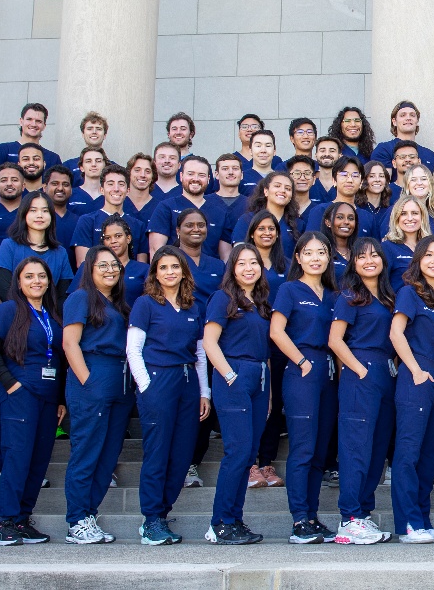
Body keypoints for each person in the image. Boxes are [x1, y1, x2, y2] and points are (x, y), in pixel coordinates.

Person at [126, 248, 212, 545]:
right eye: (163, 268)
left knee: (181, 454)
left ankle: (162, 514)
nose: (170, 272)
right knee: (158, 452)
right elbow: (133, 350)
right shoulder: (145, 304)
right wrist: (147, 386)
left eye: (175, 267)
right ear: (155, 273)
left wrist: (205, 392)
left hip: (188, 382)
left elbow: (200, 353)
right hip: (159, 381)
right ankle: (150, 519)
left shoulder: (192, 307)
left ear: (184, 271)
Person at [0, 258, 62, 545]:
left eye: (41, 276)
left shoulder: (52, 314)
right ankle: (6, 522)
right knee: (17, 457)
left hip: (49, 398)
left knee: (39, 461)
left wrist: (61, 398)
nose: (36, 281)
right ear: (19, 281)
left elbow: (59, 358)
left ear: (49, 280)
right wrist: (9, 382)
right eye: (29, 276)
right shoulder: (9, 310)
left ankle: (23, 520)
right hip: (20, 394)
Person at [199, 244, 274, 545]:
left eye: (253, 262)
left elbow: (265, 349)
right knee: (238, 451)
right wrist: (230, 375)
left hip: (259, 377)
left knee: (249, 454)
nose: (248, 268)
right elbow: (209, 342)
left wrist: (267, 392)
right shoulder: (223, 298)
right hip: (235, 377)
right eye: (241, 263)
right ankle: (220, 523)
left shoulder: (261, 302)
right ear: (232, 268)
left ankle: (235, 519)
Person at [57, 246, 132, 544]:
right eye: (102, 265)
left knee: (108, 455)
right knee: (87, 452)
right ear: (89, 269)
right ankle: (76, 520)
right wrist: (89, 382)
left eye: (114, 264)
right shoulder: (80, 298)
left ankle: (89, 515)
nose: (110, 269)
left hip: (119, 383)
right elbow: (70, 344)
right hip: (94, 378)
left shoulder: (117, 304)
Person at [325, 238, 396, 545]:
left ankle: (363, 514)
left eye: (374, 256)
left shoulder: (389, 297)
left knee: (377, 449)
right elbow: (335, 340)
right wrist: (361, 370)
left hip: (386, 374)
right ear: (353, 263)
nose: (369, 261)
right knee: (356, 448)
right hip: (361, 373)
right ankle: (349, 517)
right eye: (362, 257)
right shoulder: (350, 296)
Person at [387, 236, 434, 543]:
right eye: (428, 255)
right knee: (408, 453)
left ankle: (423, 521)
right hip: (417, 376)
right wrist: (414, 370)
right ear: (418, 259)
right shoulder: (409, 292)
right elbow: (396, 332)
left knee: (429, 455)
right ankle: (408, 525)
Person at [271, 232, 339, 544]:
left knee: (320, 451)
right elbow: (276, 331)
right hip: (303, 370)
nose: (315, 258)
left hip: (328, 373)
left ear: (329, 258)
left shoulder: (333, 294)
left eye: (321, 253)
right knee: (303, 447)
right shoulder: (289, 289)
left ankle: (312, 516)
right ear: (298, 257)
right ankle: (299, 519)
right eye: (308, 252)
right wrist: (302, 361)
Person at [0, 193, 73, 305]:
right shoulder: (9, 246)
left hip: (49, 316)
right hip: (17, 314)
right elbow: (4, 289)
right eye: (33, 210)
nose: (39, 215)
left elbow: (62, 294)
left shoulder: (60, 252)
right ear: (24, 213)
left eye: (45, 211)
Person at [0, 103, 61, 170]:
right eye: (29, 119)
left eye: (38, 121)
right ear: (21, 122)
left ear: (44, 126)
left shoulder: (53, 158)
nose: (33, 124)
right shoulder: (3, 150)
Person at [371, 101, 434, 168]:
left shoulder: (431, 156)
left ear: (417, 121)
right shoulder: (384, 150)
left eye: (412, 115)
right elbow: (381, 179)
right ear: (394, 122)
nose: (408, 118)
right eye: (403, 115)